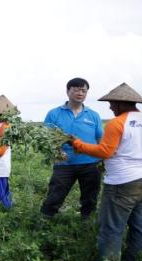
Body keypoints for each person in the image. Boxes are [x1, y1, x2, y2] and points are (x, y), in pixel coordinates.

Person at [70, 83, 142, 261]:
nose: (110, 107)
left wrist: (77, 144)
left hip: (122, 183)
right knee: (141, 225)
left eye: (112, 103)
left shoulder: (117, 122)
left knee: (112, 227)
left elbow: (105, 151)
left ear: (121, 103)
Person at [40, 77, 103, 219]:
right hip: (64, 163)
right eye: (76, 89)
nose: (80, 93)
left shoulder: (93, 115)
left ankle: (87, 223)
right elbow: (46, 138)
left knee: (90, 197)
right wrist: (58, 152)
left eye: (83, 90)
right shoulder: (54, 113)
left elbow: (100, 139)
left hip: (91, 163)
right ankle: (45, 220)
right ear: (68, 91)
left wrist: (103, 159)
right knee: (55, 194)